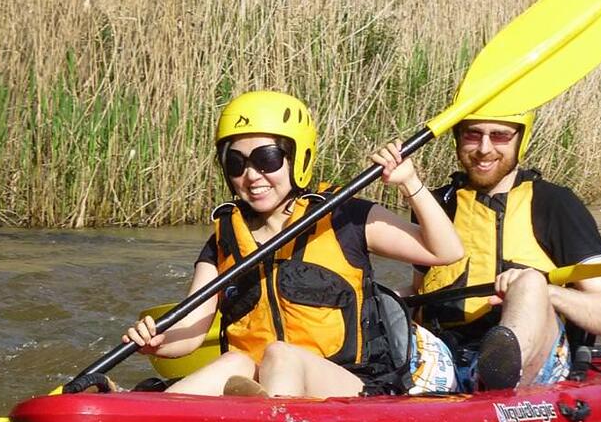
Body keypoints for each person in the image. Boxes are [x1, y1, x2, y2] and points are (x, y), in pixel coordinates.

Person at [123, 90, 464, 397]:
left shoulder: (347, 217)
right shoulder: (224, 241)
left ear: (296, 158)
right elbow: (191, 332)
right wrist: (157, 341)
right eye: (236, 162)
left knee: (280, 355)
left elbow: (445, 252)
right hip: (261, 386)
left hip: (349, 386)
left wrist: (410, 183)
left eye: (267, 159)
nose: (252, 176)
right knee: (234, 363)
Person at [405, 92, 601, 392]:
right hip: (445, 354)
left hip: (536, 359)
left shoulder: (555, 205)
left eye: (499, 136)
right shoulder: (435, 206)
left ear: (520, 140)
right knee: (378, 298)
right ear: (457, 138)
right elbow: (419, 290)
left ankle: (496, 372)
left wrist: (540, 291)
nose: (484, 149)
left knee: (529, 283)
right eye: (473, 134)